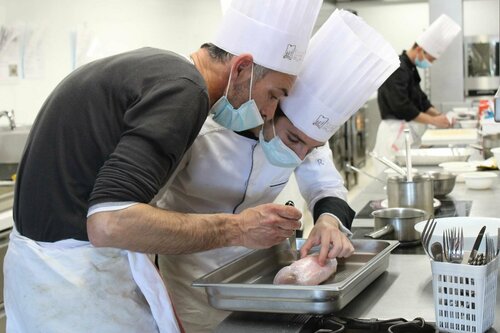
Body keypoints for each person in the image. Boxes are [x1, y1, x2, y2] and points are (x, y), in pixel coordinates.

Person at [4, 1, 323, 332]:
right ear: (242, 67)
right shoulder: (184, 90)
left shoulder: (157, 67)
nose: (269, 112)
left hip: (43, 275)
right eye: (273, 95)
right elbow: (110, 222)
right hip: (74, 284)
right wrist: (239, 228)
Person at [155, 9, 400, 332]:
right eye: (293, 139)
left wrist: (329, 222)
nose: (299, 154)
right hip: (194, 287)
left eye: (310, 147)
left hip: (268, 281)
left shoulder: (306, 135)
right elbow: (139, 213)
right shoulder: (199, 129)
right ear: (269, 109)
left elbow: (326, 186)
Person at [373, 14, 461, 165]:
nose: (430, 63)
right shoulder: (396, 68)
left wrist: (440, 116)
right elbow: (402, 107)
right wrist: (434, 121)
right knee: (390, 178)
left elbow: (421, 101)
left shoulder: (410, 69)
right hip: (392, 133)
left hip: (404, 132)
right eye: (430, 59)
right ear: (420, 50)